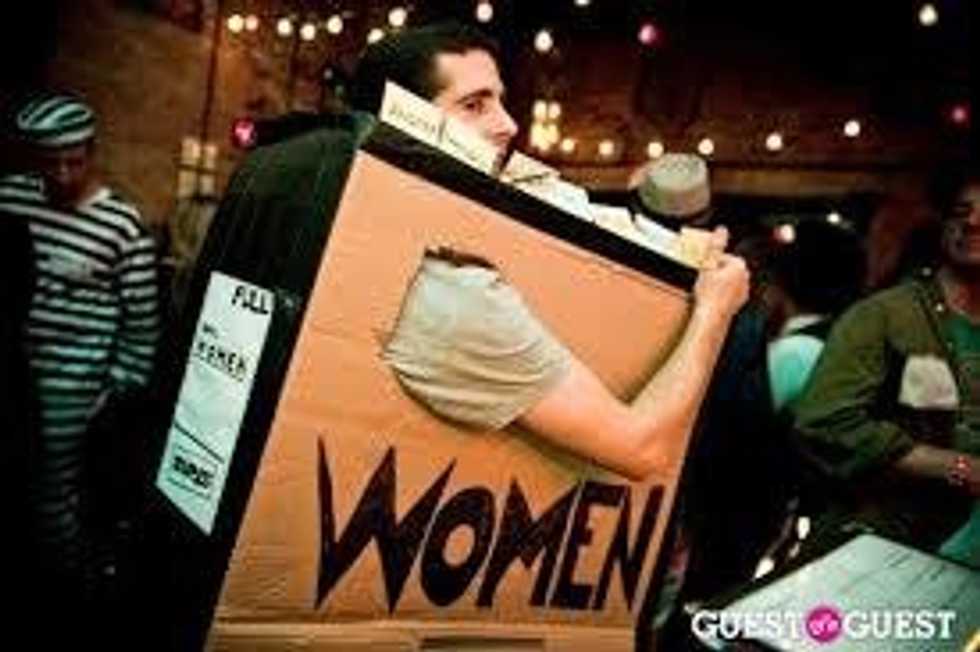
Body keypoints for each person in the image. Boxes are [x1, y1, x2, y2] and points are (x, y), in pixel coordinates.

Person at [352, 22, 749, 481]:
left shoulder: (406, 234)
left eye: (500, 101)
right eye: (474, 105)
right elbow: (642, 448)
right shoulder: (453, 292)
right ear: (406, 119)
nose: (508, 125)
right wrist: (714, 311)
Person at [0, 93, 161, 596]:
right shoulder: (10, 198)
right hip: (11, 370)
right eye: (51, 163)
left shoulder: (122, 226)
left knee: (53, 492)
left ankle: (61, 589)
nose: (63, 174)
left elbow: (142, 326)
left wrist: (113, 394)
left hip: (72, 385)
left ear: (91, 152)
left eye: (74, 161)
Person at [793, 163, 980, 566]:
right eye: (962, 211)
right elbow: (824, 421)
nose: (972, 222)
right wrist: (960, 467)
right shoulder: (885, 315)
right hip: (887, 545)